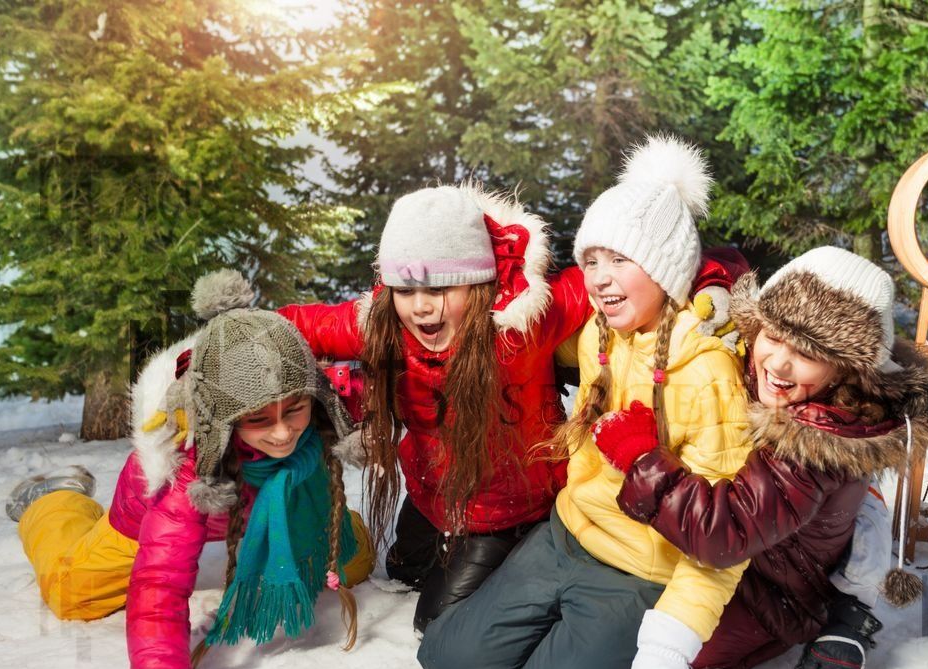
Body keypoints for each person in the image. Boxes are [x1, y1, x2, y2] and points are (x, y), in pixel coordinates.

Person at [276, 183, 745, 631]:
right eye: (406, 290)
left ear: (479, 283)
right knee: (402, 571)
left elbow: (649, 263)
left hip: (506, 511)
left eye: (440, 289)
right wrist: (231, 347)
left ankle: (520, 550)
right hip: (430, 494)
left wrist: (710, 282)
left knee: (435, 621)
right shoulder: (383, 327)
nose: (420, 308)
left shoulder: (528, 319)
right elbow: (296, 325)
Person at [417, 135, 752, 669]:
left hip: (640, 569)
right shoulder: (601, 332)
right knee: (446, 660)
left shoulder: (705, 370)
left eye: (620, 259)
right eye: (591, 260)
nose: (600, 278)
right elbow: (524, 324)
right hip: (567, 534)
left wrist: (667, 652)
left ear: (665, 270)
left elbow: (723, 536)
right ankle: (559, 639)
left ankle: (591, 654)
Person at [6, 270, 374, 669]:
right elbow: (159, 585)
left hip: (261, 511)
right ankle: (56, 499)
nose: (283, 433)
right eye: (258, 419)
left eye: (295, 410)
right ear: (221, 417)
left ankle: (308, 525)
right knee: (73, 590)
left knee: (351, 560)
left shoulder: (320, 418)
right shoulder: (185, 471)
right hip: (145, 516)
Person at [594, 246, 928, 669]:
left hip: (769, 598)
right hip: (718, 564)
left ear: (847, 369)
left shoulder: (820, 442)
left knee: (611, 652)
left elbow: (724, 533)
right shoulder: (769, 375)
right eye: (774, 336)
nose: (779, 363)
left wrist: (641, 457)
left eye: (807, 353)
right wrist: (713, 285)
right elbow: (714, 261)